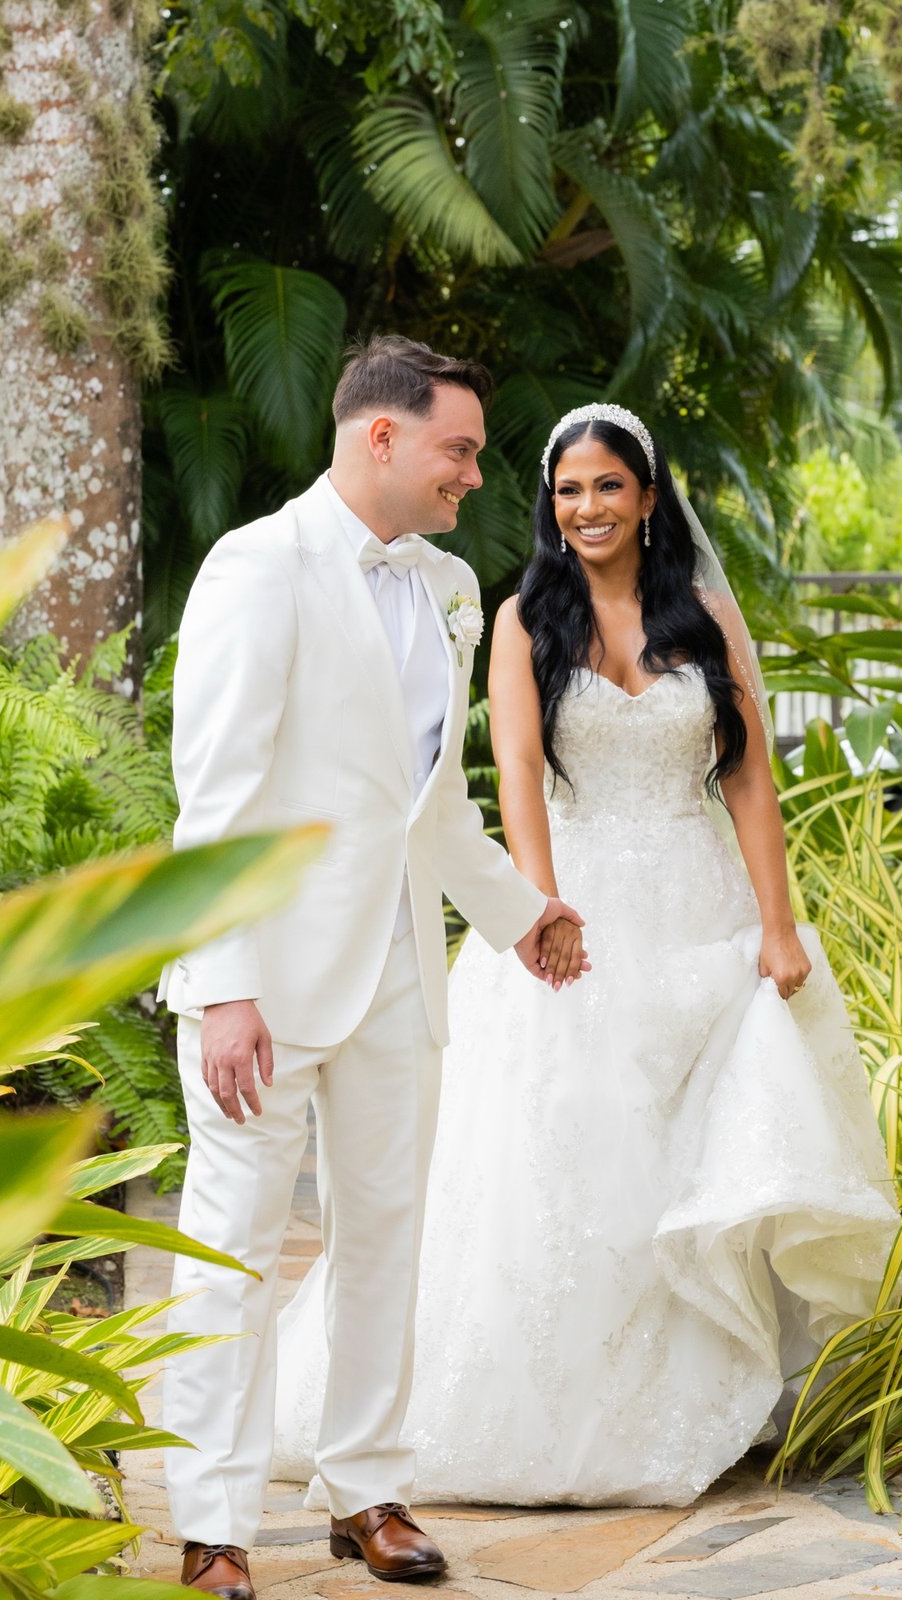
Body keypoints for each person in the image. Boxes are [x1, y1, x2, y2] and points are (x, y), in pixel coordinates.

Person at [274, 403, 899, 1507]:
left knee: (693, 1141)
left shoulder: (704, 617)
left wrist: (778, 921)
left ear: (648, 498)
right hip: (577, 907)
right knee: (567, 1140)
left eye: (609, 486)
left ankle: (702, 1391)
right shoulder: (522, 619)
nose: (587, 508)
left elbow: (746, 773)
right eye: (568, 490)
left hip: (699, 908)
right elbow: (514, 767)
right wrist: (536, 907)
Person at [158, 337, 588, 1597]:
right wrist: (223, 982)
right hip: (267, 983)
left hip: (402, 966)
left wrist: (520, 915)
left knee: (385, 1239)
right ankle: (215, 1524)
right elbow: (215, 798)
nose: (475, 472)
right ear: (382, 437)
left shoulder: (451, 583)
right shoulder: (257, 567)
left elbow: (431, 806)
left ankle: (366, 1490)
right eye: (458, 448)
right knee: (230, 1248)